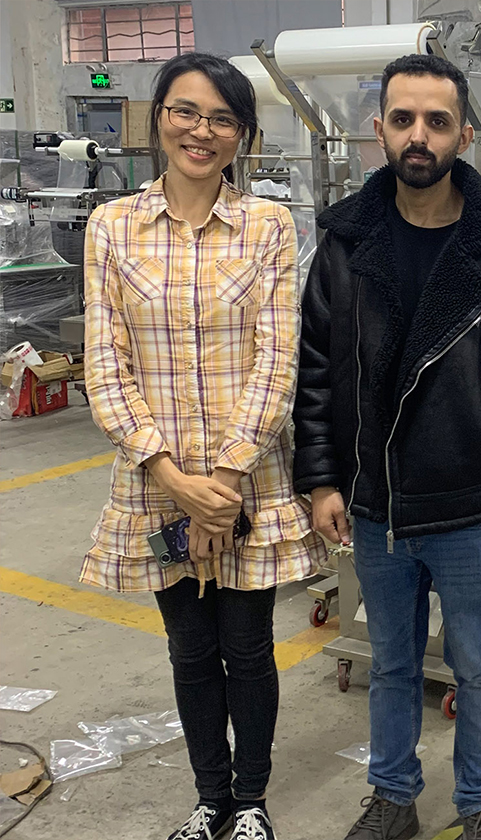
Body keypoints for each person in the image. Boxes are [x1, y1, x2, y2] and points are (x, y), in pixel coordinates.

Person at [293, 53, 481, 840]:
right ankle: (393, 800)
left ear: (465, 134)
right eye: (403, 119)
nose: (418, 135)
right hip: (376, 505)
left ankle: (480, 804)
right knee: (390, 666)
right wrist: (321, 479)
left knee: (480, 667)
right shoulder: (347, 242)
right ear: (380, 129)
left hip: (467, 506)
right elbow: (316, 369)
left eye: (436, 121)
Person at [82, 52, 326, 840]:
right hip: (155, 486)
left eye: (223, 119)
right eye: (186, 112)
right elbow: (104, 365)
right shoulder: (112, 227)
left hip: (246, 484)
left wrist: (222, 484)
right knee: (189, 651)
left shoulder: (268, 226)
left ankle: (250, 802)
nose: (202, 131)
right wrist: (173, 478)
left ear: (243, 136)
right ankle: (209, 798)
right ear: (159, 118)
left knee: (248, 649)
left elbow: (277, 361)